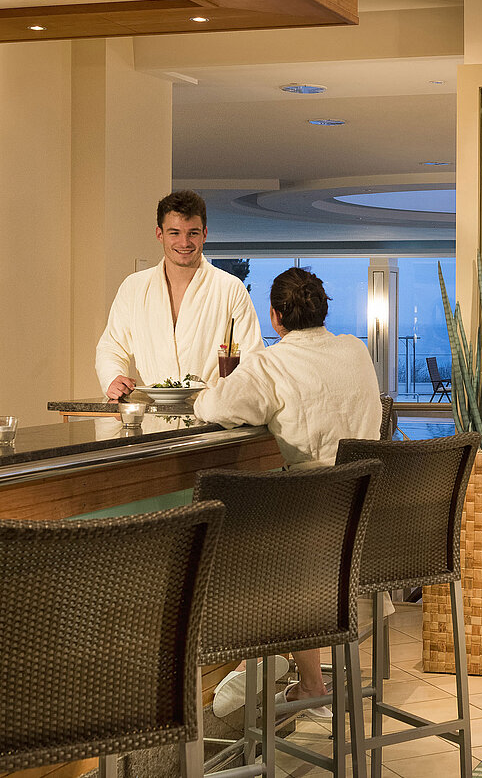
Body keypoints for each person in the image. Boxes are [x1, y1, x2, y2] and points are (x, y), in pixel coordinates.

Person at [194, 267, 382, 719]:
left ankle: (265, 666)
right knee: (287, 545)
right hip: (368, 522)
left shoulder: (270, 364)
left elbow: (211, 406)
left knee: (249, 549)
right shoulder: (356, 350)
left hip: (315, 532)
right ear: (324, 310)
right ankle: (290, 674)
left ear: (275, 318)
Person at [95, 190, 264, 401]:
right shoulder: (134, 288)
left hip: (212, 413)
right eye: (174, 233)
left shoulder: (230, 288)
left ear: (205, 234)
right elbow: (112, 346)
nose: (184, 243)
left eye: (192, 233)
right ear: (159, 234)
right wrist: (113, 378)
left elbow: (251, 356)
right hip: (152, 414)